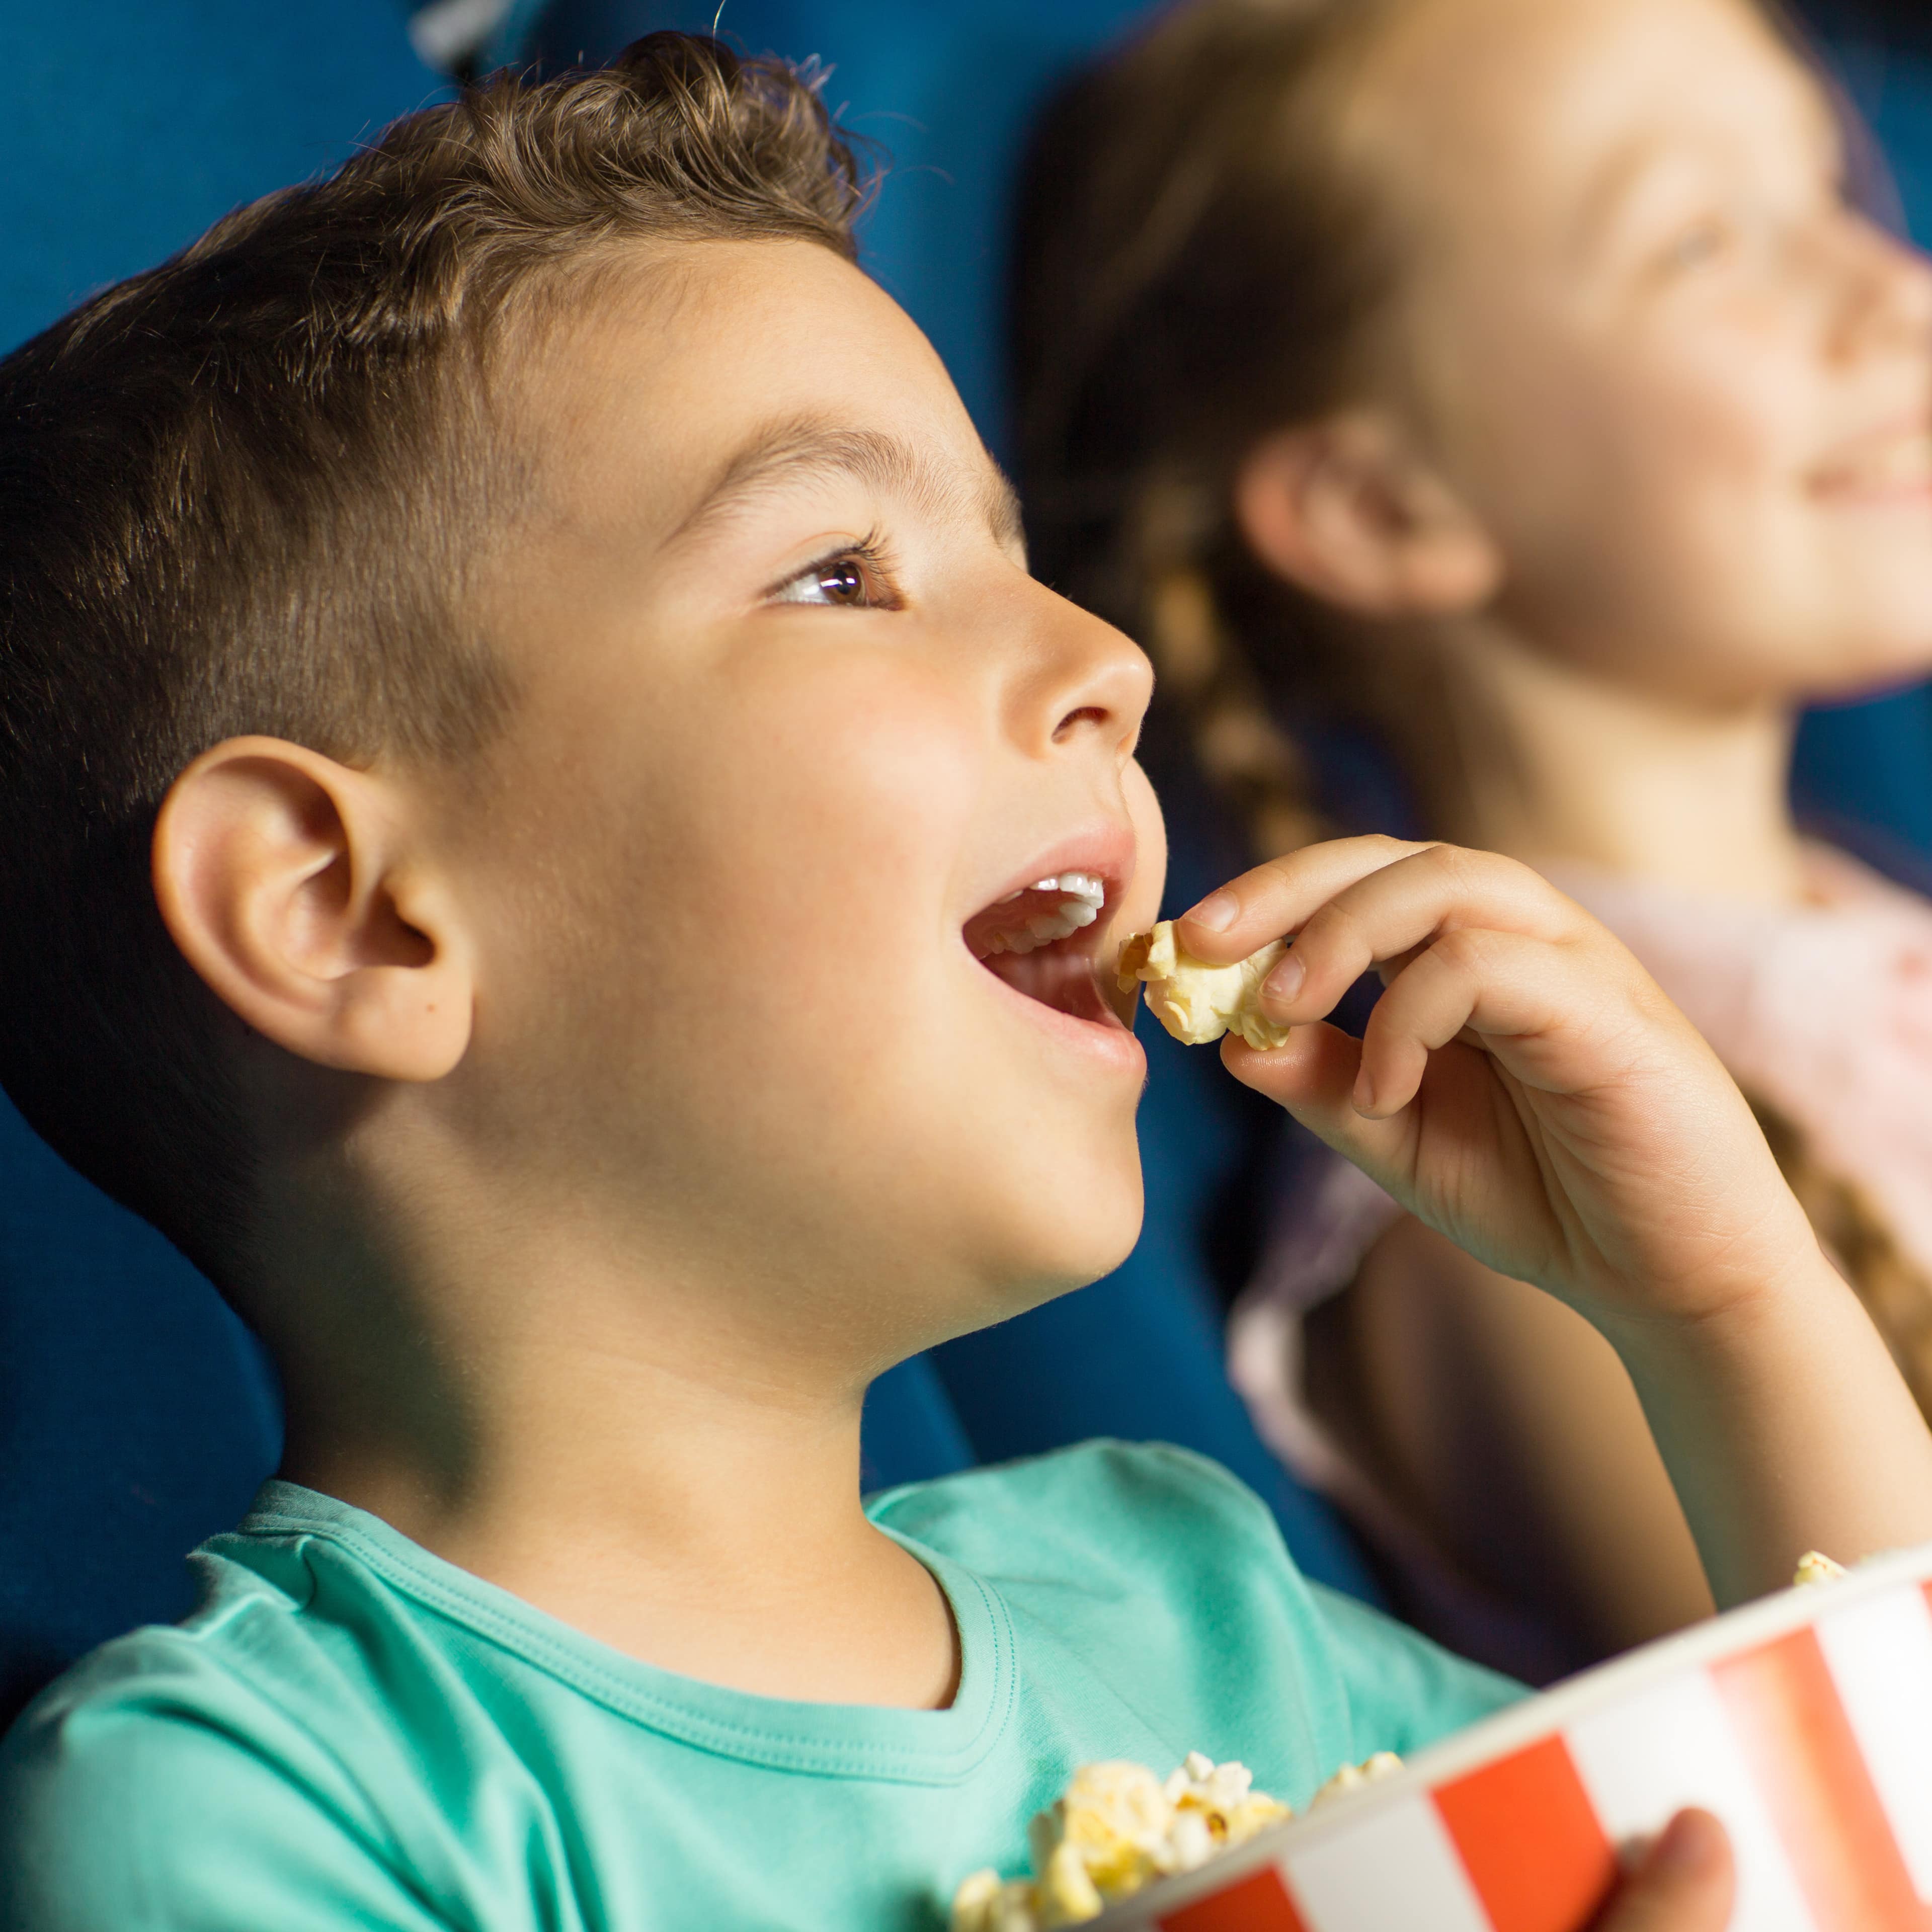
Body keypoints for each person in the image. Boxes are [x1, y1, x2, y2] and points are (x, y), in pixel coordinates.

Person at [0, 32, 1924, 1929]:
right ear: (347, 914)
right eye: (843, 572)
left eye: (1020, 556)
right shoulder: (253, 1812)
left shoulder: (1195, 1606)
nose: (1108, 657)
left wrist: (1726, 1295)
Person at [1012, 0, 1932, 1673]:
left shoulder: (1878, 939)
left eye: (1832, 195)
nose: (1898, 291)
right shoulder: (1505, 1191)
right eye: (1707, 237)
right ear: (1385, 507)